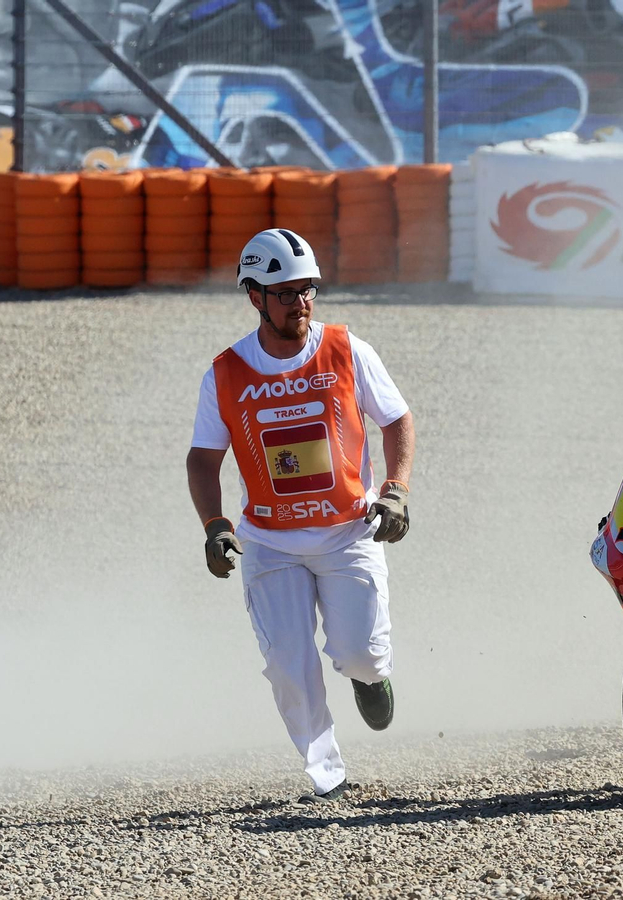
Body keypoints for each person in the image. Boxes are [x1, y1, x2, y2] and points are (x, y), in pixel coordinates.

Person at [186, 228, 416, 802]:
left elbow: (397, 419)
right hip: (271, 544)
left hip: (348, 533)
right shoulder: (225, 372)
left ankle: (370, 675)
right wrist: (215, 526)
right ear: (255, 296)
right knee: (289, 663)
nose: (301, 302)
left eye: (307, 289)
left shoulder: (348, 350)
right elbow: (202, 458)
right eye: (285, 292)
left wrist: (396, 490)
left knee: (360, 653)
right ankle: (328, 773)